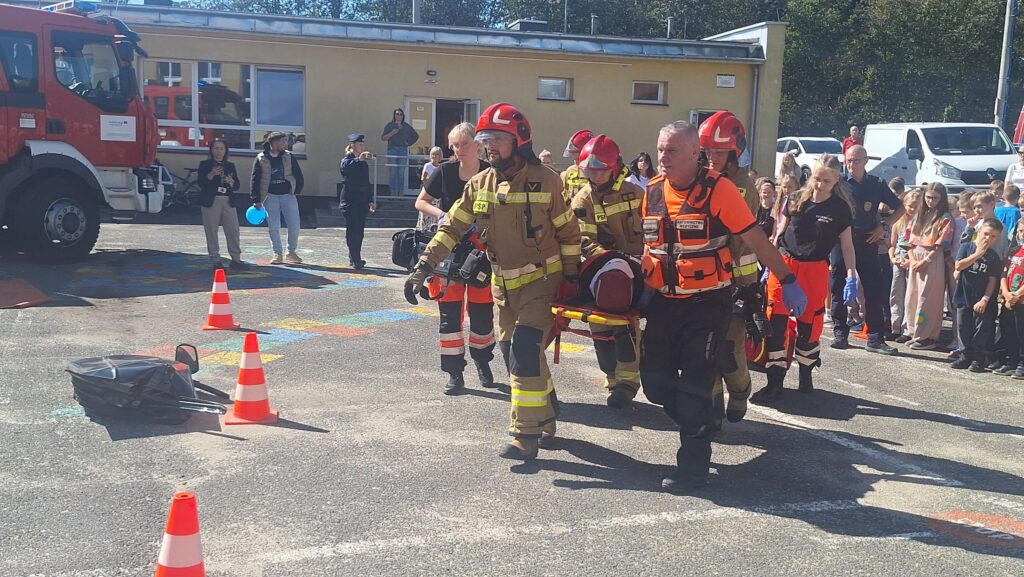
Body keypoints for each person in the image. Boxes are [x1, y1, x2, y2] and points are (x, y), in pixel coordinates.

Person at [405, 103, 581, 461]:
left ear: (519, 141)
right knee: (513, 353)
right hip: (503, 286)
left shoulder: (546, 179)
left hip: (541, 282)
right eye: (486, 140)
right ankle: (546, 410)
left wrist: (573, 277)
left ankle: (524, 435)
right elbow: (451, 227)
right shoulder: (479, 183)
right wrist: (423, 267)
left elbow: (569, 232)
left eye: (497, 140)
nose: (489, 147)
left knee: (524, 351)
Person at [640, 120, 806, 494]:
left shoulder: (720, 191)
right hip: (664, 304)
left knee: (697, 385)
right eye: (661, 149)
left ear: (695, 154)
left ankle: (693, 467)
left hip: (707, 304)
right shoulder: (650, 191)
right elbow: (650, 246)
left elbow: (755, 238)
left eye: (672, 151)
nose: (663, 158)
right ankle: (701, 423)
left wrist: (788, 279)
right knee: (654, 384)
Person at [750, 155, 857, 402]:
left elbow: (848, 246)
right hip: (784, 266)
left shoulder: (840, 210)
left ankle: (806, 374)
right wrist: (769, 263)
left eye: (826, 181)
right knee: (774, 325)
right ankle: (774, 382)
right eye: (817, 178)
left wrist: (852, 275)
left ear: (836, 180)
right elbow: (779, 232)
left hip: (815, 269)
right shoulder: (796, 199)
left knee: (809, 326)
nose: (819, 185)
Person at [412, 122, 494, 394]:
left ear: (478, 145)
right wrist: (442, 216)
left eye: (464, 144)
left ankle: (483, 361)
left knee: (482, 315)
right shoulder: (444, 171)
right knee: (449, 317)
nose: (459, 150)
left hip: (482, 252)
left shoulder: (491, 173)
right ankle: (454, 373)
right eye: (455, 145)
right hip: (448, 250)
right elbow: (421, 202)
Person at [570, 134, 644, 408]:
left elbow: (655, 230)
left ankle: (630, 377)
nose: (596, 176)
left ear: (614, 169)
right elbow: (585, 243)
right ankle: (618, 382)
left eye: (601, 170)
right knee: (606, 319)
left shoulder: (636, 193)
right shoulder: (582, 200)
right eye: (591, 171)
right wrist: (613, 260)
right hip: (603, 270)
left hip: (643, 266)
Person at [698, 111, 760, 423]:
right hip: (706, 279)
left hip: (737, 281)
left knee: (729, 349)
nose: (711, 158)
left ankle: (739, 391)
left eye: (719, 152)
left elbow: (735, 237)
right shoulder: (704, 180)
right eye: (707, 151)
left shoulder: (741, 187)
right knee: (704, 350)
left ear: (734, 152)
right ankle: (711, 413)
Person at [829, 144, 904, 353]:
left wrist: (884, 226)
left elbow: (900, 208)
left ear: (866, 160)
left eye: (857, 160)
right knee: (838, 288)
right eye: (849, 160)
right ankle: (840, 333)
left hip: (867, 241)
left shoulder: (876, 184)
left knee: (874, 289)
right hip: (841, 242)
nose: (852, 164)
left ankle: (875, 338)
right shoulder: (838, 182)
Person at [903, 183, 953, 350]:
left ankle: (928, 336)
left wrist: (926, 261)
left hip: (931, 258)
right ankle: (914, 331)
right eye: (929, 197)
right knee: (912, 297)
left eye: (935, 198)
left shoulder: (944, 217)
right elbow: (907, 240)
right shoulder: (919, 215)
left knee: (928, 299)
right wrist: (912, 259)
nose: (931, 201)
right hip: (915, 258)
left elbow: (941, 245)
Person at [950, 218, 1004, 372]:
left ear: (997, 238)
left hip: (980, 299)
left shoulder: (993, 257)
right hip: (963, 295)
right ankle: (965, 356)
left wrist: (985, 299)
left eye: (993, 236)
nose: (988, 238)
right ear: (979, 232)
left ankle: (978, 359)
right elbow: (959, 265)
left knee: (980, 330)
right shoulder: (966, 247)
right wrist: (978, 254)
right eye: (986, 234)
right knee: (963, 326)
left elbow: (992, 281)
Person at [251, 131, 305, 265]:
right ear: (273, 143)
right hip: (270, 196)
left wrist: (297, 190)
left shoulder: (288, 156)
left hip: (288, 195)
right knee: (273, 226)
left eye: (286, 141)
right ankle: (277, 253)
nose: (285, 144)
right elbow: (255, 179)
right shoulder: (261, 157)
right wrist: (256, 199)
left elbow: (298, 174)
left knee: (295, 226)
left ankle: (291, 252)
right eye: (283, 142)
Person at [197, 139, 247, 271]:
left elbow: (237, 185)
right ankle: (216, 261)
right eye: (216, 148)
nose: (219, 151)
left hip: (228, 200)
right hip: (211, 200)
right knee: (211, 230)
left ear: (225, 151)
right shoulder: (205, 164)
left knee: (233, 230)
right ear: (211, 150)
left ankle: (236, 259)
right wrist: (212, 174)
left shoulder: (230, 165)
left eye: (221, 148)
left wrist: (231, 182)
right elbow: (201, 183)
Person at [339, 134, 376, 269]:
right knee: (352, 229)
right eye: (360, 144)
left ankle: (355, 257)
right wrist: (358, 160)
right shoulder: (347, 160)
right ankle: (355, 259)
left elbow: (366, 182)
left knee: (359, 230)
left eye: (363, 144)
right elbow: (345, 170)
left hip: (361, 200)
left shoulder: (363, 162)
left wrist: (370, 200)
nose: (362, 147)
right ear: (352, 145)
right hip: (350, 200)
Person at [890, 189, 921, 342]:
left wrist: (911, 260)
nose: (912, 210)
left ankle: (908, 328)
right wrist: (892, 257)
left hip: (911, 262)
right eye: (909, 206)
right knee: (896, 293)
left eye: (916, 207)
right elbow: (892, 244)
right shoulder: (898, 222)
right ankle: (895, 326)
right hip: (898, 261)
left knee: (910, 296)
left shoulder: (920, 224)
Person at [999, 220, 1024, 378]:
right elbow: (1004, 272)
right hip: (1007, 298)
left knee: (1021, 332)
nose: (1022, 234)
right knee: (1008, 330)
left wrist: (1017, 295)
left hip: (1020, 300)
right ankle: (1012, 360)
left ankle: (1022, 362)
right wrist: (1006, 293)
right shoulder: (1014, 250)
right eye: (1020, 231)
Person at [381, 108, 420, 195]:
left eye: (400, 114)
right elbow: (383, 138)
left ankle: (400, 194)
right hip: (392, 150)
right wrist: (392, 133)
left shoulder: (406, 126)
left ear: (403, 116)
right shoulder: (390, 125)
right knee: (393, 172)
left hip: (403, 150)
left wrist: (408, 143)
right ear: (394, 115)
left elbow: (416, 136)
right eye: (397, 114)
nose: (399, 116)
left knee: (401, 173)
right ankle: (393, 194)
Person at [561, 129, 595, 201]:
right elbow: (564, 196)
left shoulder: (597, 172)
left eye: (577, 156)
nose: (574, 159)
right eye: (572, 154)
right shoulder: (570, 171)